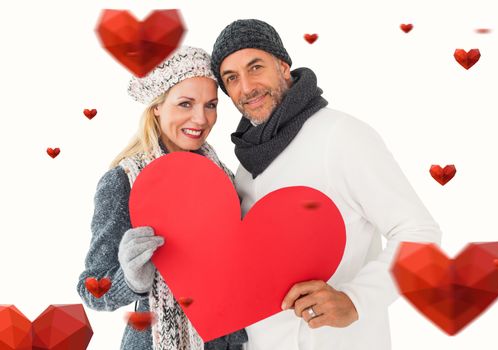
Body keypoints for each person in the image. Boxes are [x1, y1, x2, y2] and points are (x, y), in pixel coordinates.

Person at [210, 20, 442, 350]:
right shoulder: (245, 166)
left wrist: (357, 299)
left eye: (255, 67)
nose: (246, 87)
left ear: (283, 67)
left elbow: (420, 233)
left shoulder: (341, 137)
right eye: (231, 78)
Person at [77, 46, 247, 350]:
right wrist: (131, 279)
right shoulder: (124, 181)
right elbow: (92, 291)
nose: (202, 118)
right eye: (185, 104)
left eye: (211, 105)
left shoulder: (223, 176)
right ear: (157, 106)